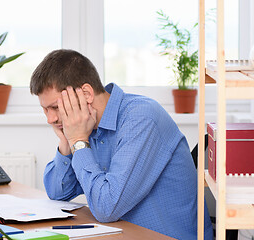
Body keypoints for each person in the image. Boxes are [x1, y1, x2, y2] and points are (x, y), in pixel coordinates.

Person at [30, 49, 213, 240]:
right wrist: (67, 141)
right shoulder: (85, 126)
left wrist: (78, 141)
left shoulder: (141, 118)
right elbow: (57, 193)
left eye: (55, 107)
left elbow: (107, 208)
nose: (50, 118)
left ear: (86, 94)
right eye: (45, 109)